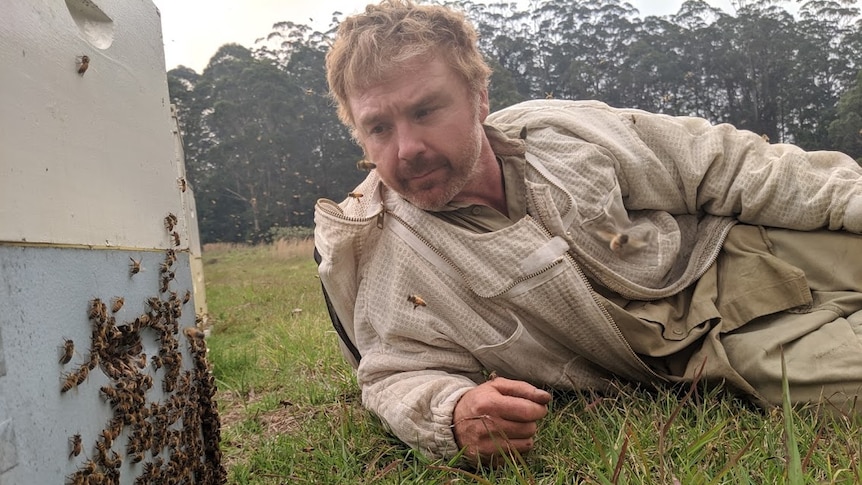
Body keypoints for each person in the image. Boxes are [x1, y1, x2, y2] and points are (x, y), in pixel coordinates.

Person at [313, 0, 862, 466]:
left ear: (479, 98)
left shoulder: (561, 131)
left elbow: (723, 164)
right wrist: (449, 414)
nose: (406, 148)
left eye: (426, 110)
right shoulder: (385, 247)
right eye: (379, 127)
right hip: (710, 352)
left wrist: (851, 198)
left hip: (736, 250)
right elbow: (391, 375)